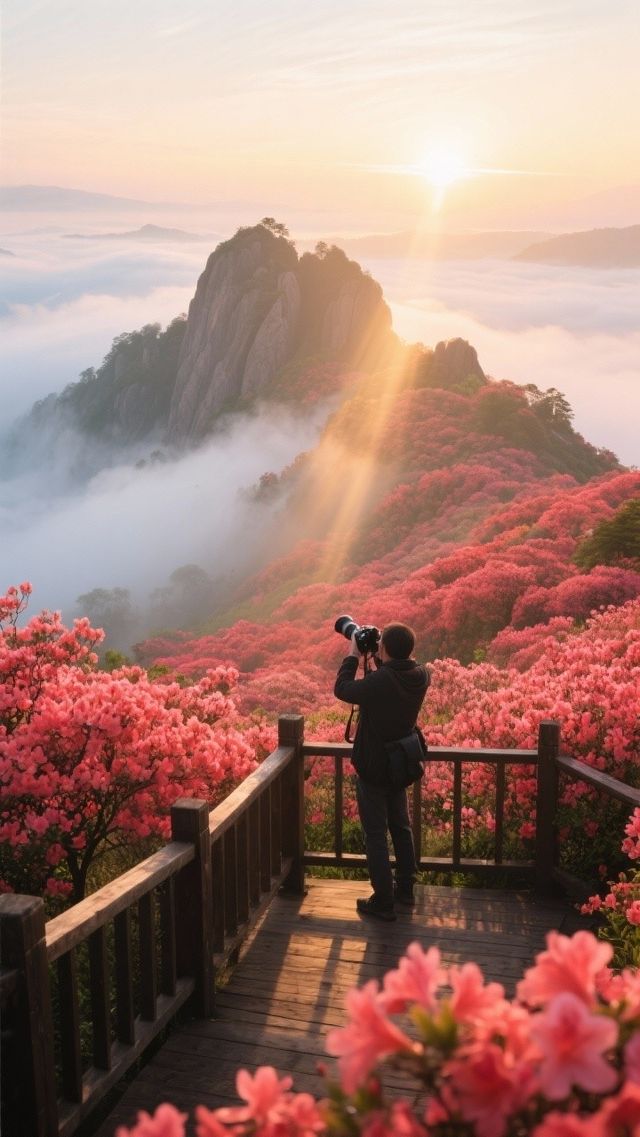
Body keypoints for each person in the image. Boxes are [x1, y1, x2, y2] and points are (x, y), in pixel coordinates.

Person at [334, 622, 430, 921]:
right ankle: (405, 889)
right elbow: (391, 677)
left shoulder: (382, 682)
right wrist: (379, 656)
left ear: (384, 649)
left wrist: (353, 652)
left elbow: (343, 689)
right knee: (400, 827)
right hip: (401, 762)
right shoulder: (421, 675)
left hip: (375, 766)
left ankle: (383, 900)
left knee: (375, 834)